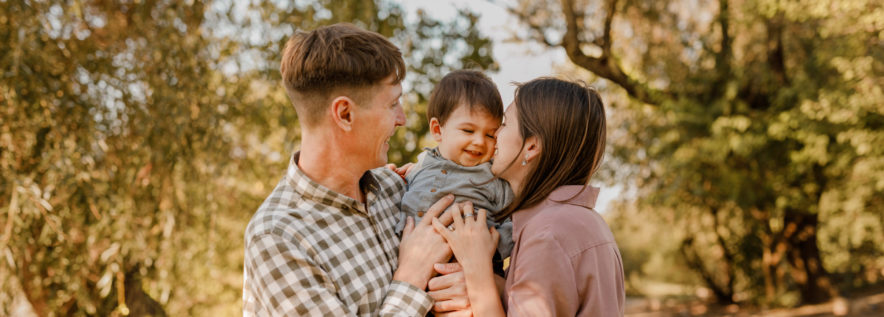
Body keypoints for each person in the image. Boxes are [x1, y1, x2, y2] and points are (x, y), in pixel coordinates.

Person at [242, 23, 460, 316]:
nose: (402, 119)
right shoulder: (278, 237)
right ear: (345, 114)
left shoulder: (398, 189)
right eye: (393, 103)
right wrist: (411, 276)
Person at [431, 78, 626, 316]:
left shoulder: (548, 235)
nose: (494, 135)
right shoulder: (578, 221)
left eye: (503, 125)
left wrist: (477, 271)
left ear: (531, 147)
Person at [393, 70, 514, 272]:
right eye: (468, 130)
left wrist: (493, 250)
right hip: (407, 266)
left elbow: (518, 223)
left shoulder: (492, 178)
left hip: (465, 275)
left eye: (491, 135)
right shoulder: (421, 165)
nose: (479, 141)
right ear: (438, 130)